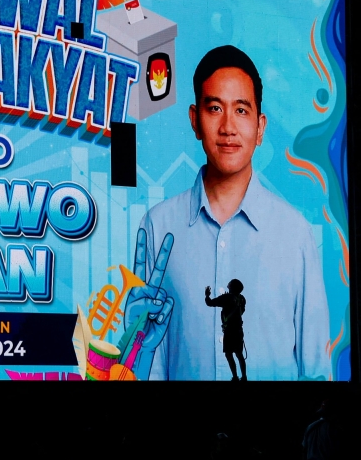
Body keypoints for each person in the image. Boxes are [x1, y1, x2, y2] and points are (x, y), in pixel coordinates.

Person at [124, 45, 330, 380]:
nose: (228, 127)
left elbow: (317, 371)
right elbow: (152, 366)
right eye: (215, 108)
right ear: (195, 120)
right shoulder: (158, 227)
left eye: (242, 111)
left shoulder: (295, 235)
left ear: (261, 128)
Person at [204, 278, 246, 380]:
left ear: (231, 287)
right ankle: (244, 377)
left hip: (229, 331)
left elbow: (210, 303)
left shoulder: (227, 297)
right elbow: (241, 311)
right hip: (239, 330)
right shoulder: (242, 299)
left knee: (228, 354)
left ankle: (235, 377)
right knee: (239, 354)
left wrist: (207, 295)